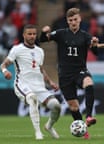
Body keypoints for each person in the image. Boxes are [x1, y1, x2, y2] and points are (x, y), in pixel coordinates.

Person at [39, 8, 97, 139]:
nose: (73, 22)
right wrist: (44, 32)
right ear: (67, 21)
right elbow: (42, 40)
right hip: (65, 74)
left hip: (80, 71)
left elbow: (96, 51)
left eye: (75, 19)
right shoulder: (61, 34)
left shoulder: (85, 36)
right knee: (74, 106)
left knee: (89, 82)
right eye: (70, 20)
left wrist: (94, 44)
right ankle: (83, 130)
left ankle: (88, 116)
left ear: (80, 19)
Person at [0, 24, 61, 140]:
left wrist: (51, 82)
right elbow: (3, 64)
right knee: (32, 98)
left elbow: (41, 69)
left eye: (34, 34)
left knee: (56, 106)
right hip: (22, 84)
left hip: (39, 86)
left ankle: (49, 126)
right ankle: (38, 133)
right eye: (29, 34)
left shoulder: (40, 51)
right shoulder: (17, 49)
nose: (32, 36)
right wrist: (5, 71)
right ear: (24, 35)